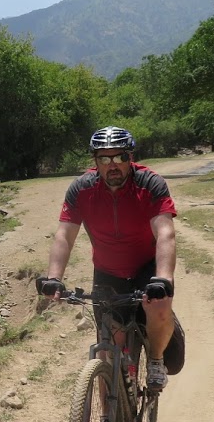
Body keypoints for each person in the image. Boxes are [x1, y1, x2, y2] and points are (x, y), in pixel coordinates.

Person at [36, 126, 184, 390]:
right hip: (108, 271)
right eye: (104, 159)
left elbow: (165, 233)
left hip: (146, 268)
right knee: (107, 354)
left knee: (159, 308)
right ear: (96, 162)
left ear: (130, 157)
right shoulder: (81, 188)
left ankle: (156, 359)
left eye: (119, 157)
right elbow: (64, 236)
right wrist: (54, 278)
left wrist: (163, 278)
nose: (112, 165)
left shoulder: (150, 183)